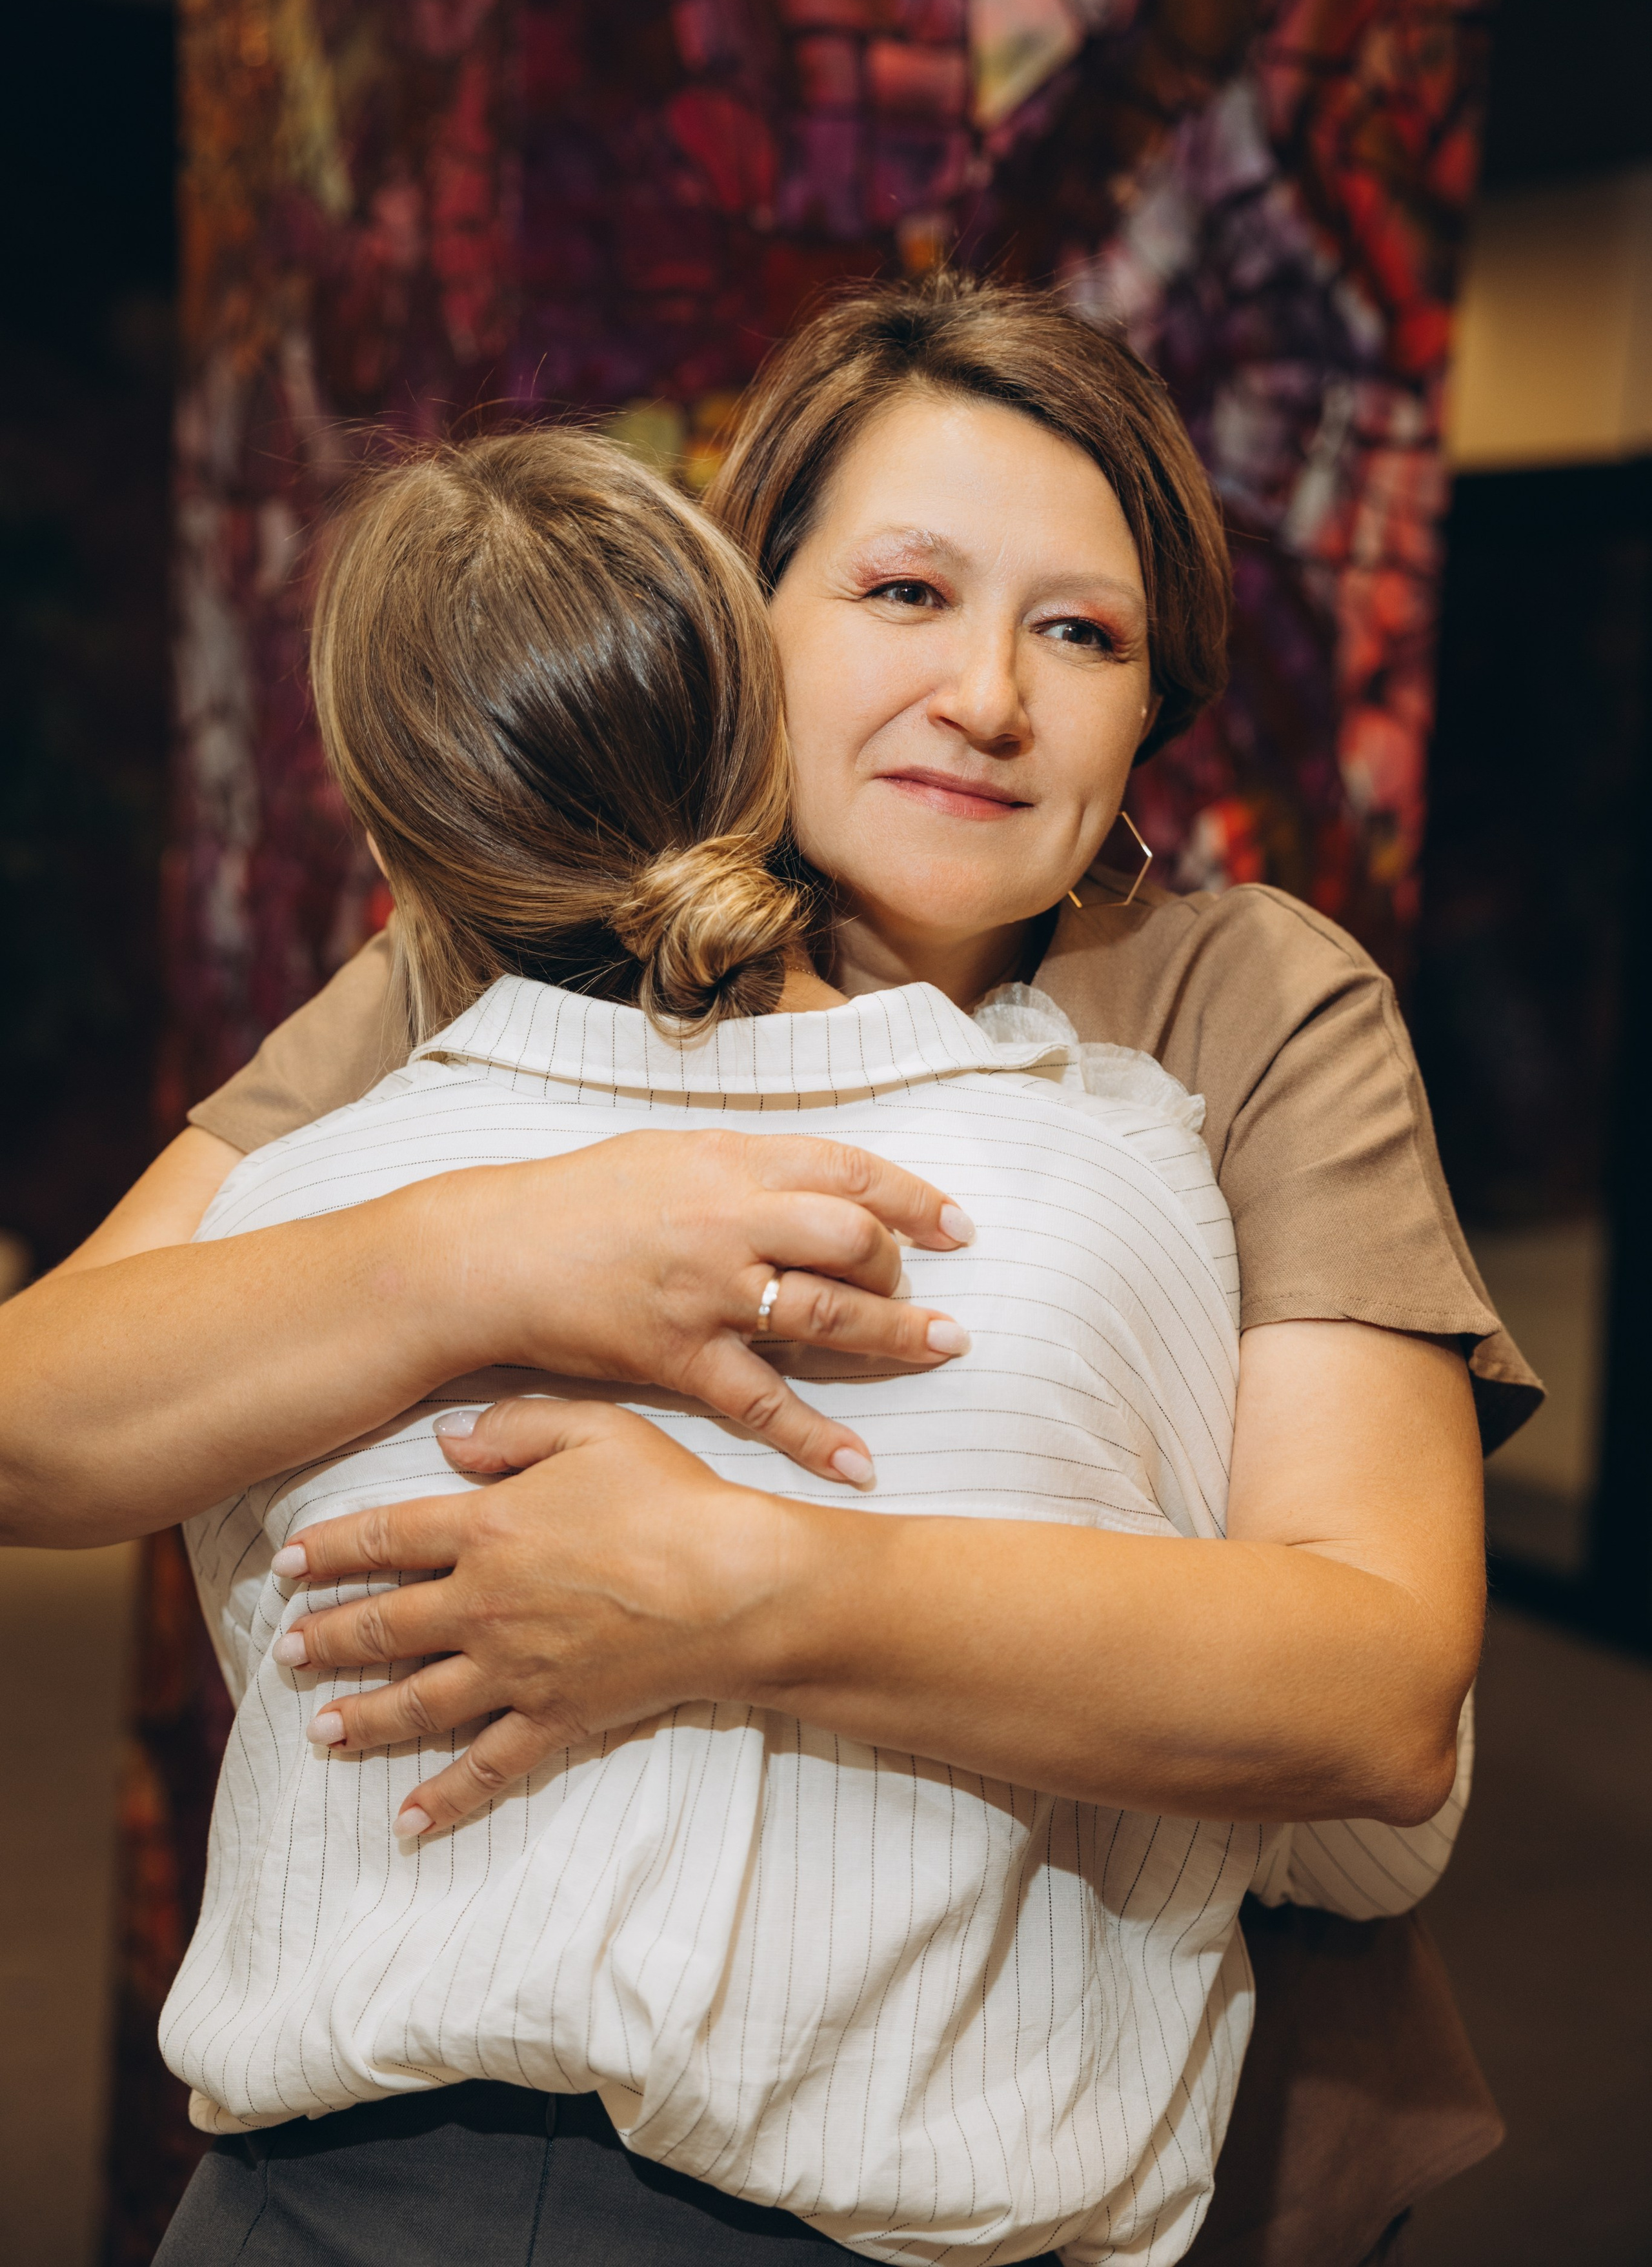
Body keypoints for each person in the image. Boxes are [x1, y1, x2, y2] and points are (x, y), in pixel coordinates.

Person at [0, 278, 1520, 2265]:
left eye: (1083, 632)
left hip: (987, 2154)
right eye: (905, 593)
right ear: (746, 616)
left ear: (1153, 708)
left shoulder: (1236, 1006)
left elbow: (1375, 1687)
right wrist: (495, 1249)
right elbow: (41, 1421)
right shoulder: (505, 950)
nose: (991, 693)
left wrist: (743, 1589)